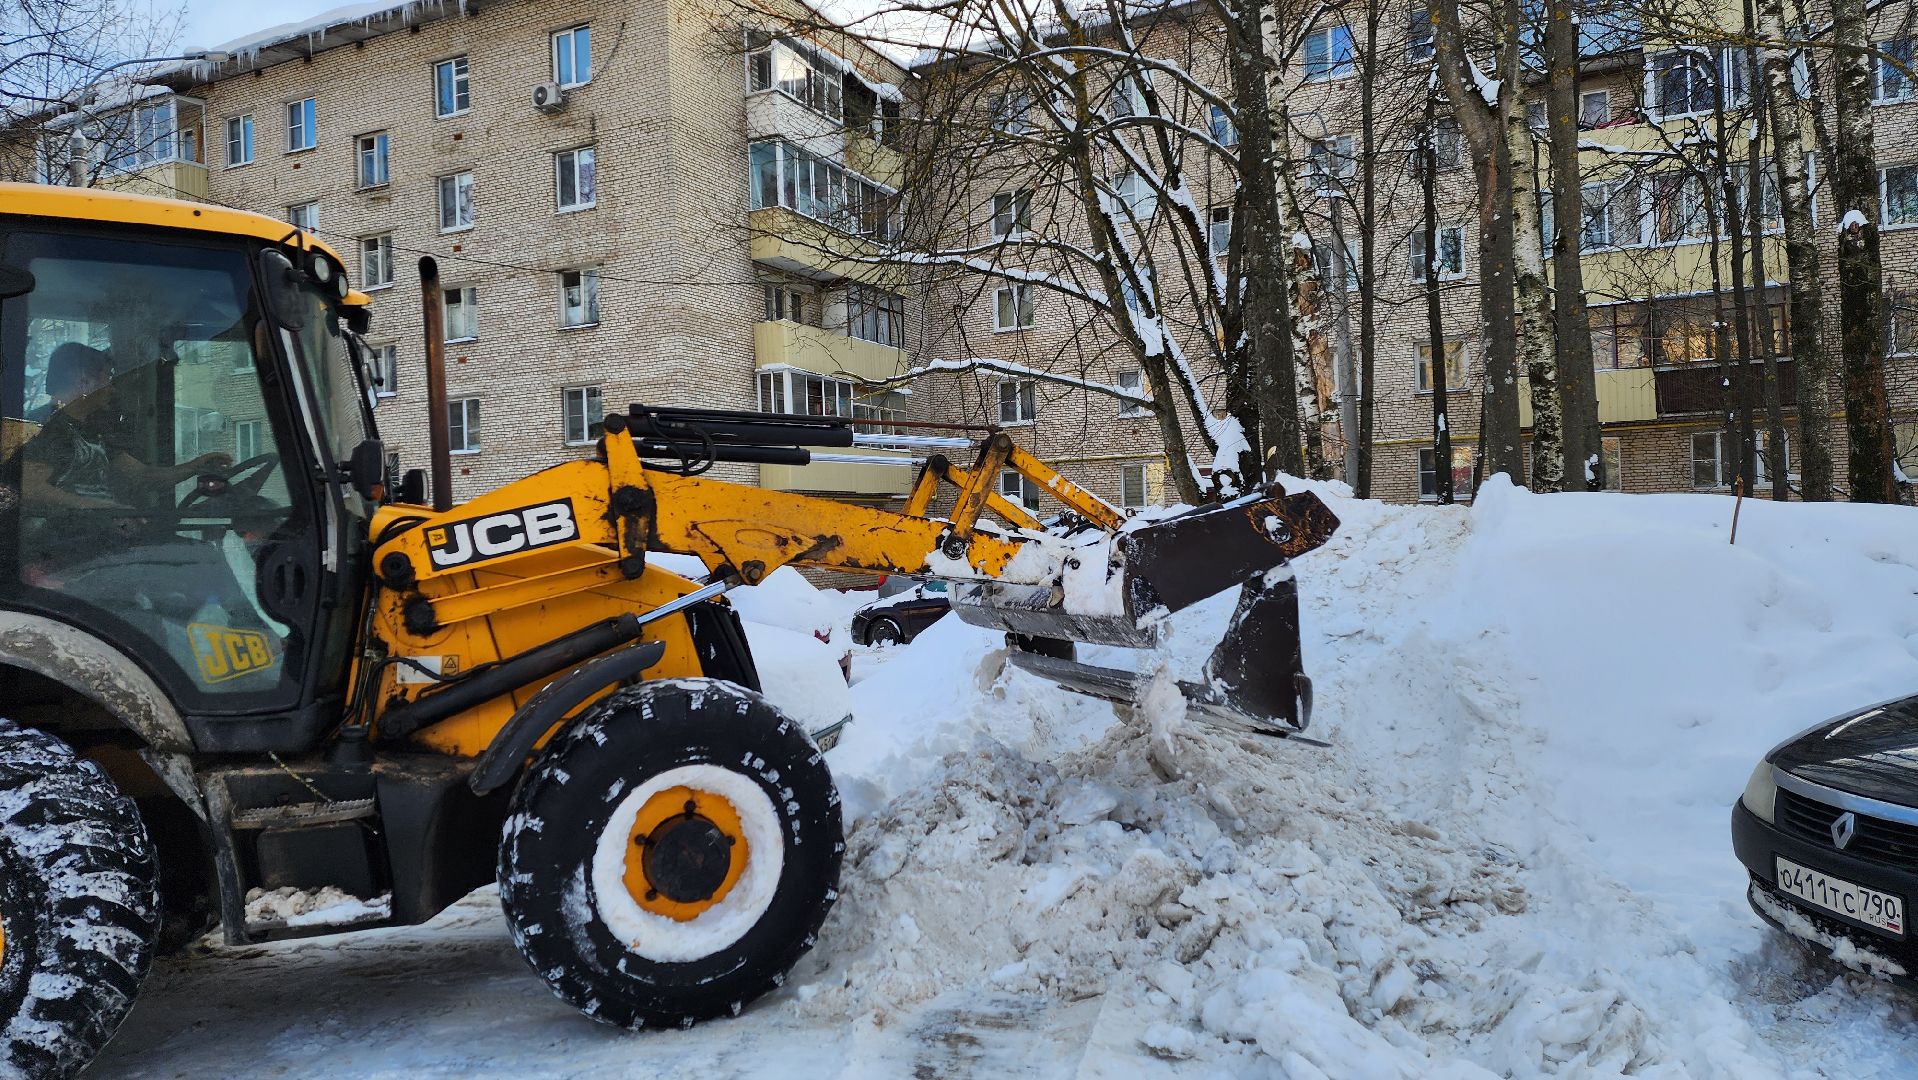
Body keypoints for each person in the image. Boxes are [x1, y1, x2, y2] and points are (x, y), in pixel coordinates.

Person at [22, 342, 230, 510]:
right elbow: (29, 488)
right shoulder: (40, 427)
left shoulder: (92, 429)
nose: (112, 388)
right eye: (108, 379)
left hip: (100, 535)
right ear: (85, 382)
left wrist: (195, 466)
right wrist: (102, 510)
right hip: (63, 547)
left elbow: (142, 476)